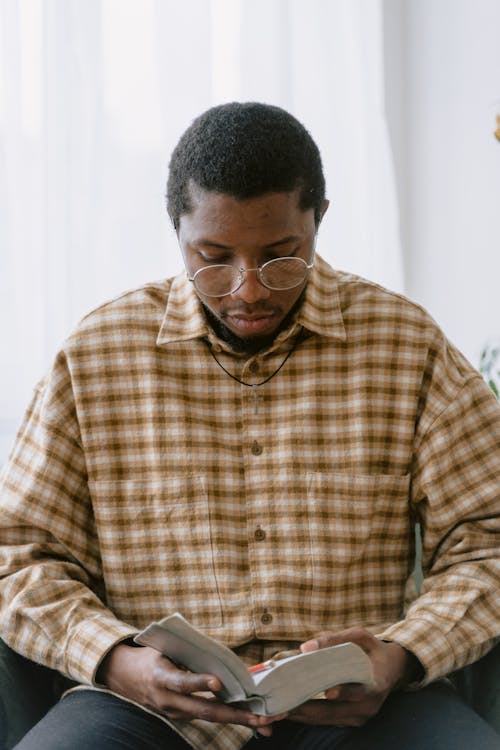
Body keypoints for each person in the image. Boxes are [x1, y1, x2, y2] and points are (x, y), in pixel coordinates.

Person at [0, 102, 499, 750]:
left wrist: (397, 655)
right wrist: (115, 660)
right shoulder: (95, 355)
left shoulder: (409, 346)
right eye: (212, 257)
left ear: (319, 218)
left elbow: (487, 542)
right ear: (174, 229)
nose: (249, 291)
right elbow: (18, 555)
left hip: (361, 716)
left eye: (281, 256)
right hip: (149, 714)